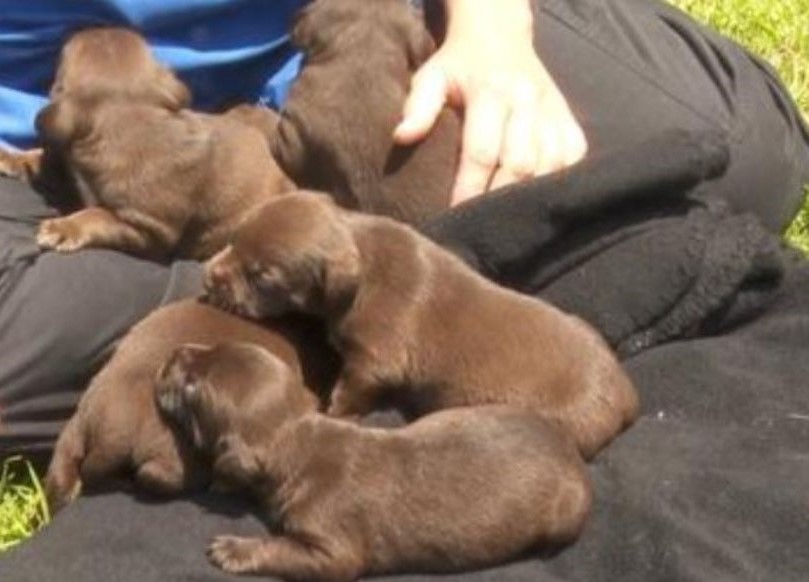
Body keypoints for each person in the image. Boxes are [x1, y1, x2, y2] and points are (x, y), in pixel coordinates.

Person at [0, 0, 808, 462]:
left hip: (342, 58)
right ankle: (335, 295)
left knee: (741, 149)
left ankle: (307, 306)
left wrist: (489, 35)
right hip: (49, 144)